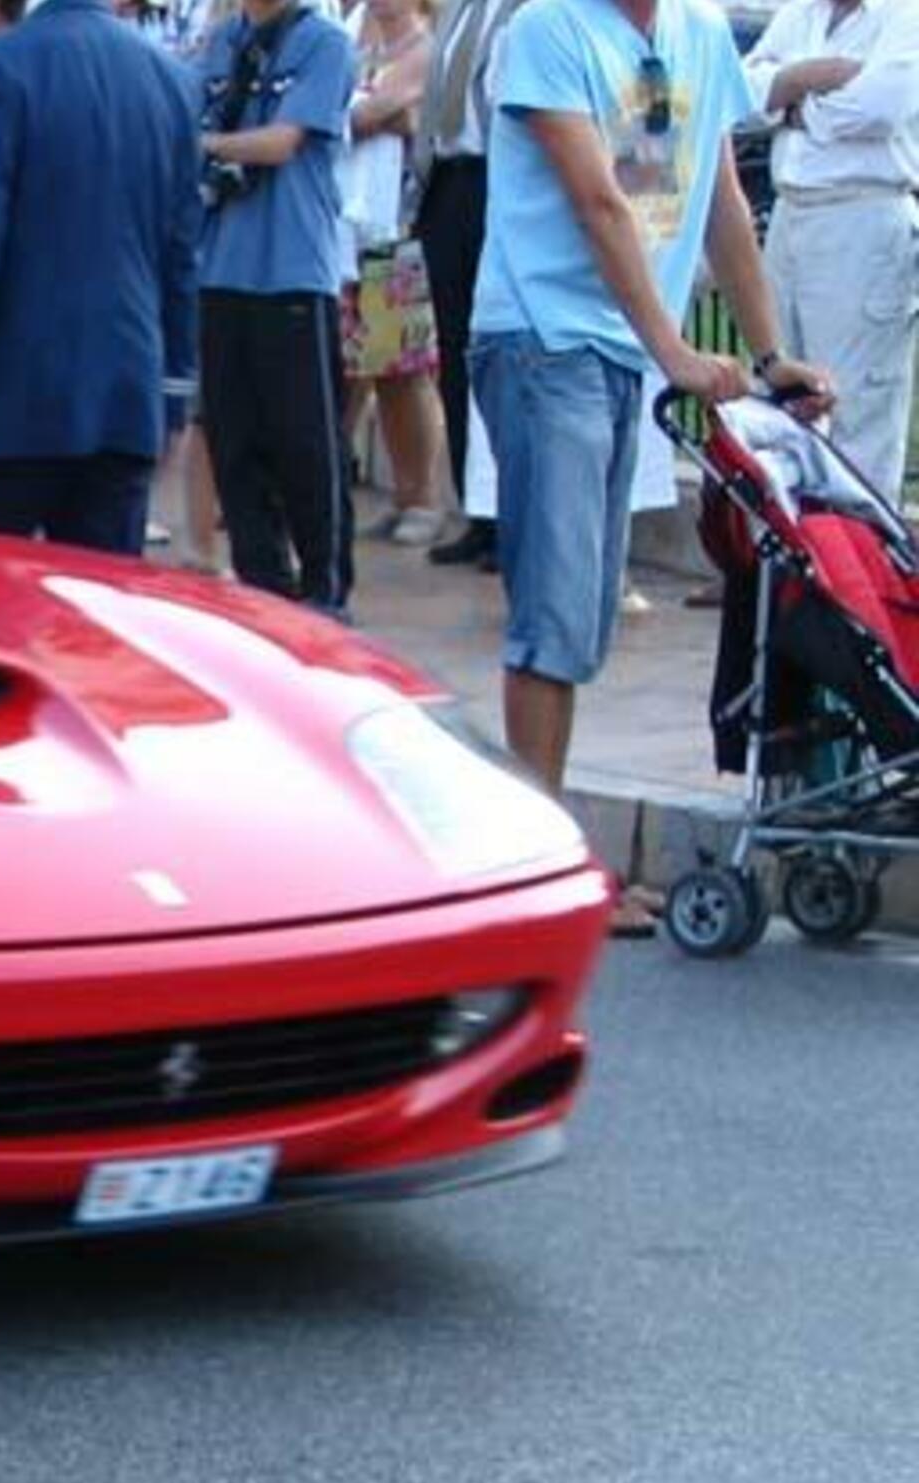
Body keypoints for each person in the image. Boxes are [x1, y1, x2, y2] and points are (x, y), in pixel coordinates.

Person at [472, 0, 832, 929]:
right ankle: (537, 876)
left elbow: (720, 201)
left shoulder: (700, 33)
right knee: (554, 614)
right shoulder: (551, 30)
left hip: (619, 351)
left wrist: (767, 355)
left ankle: (546, 856)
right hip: (545, 340)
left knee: (584, 613)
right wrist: (673, 347)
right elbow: (597, 199)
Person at [0, 0, 199, 550]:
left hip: (6, 401)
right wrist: (173, 392)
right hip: (123, 393)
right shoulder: (173, 80)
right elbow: (180, 256)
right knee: (97, 619)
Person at [195, 0, 359, 613]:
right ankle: (263, 588)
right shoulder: (220, 44)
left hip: (291, 270)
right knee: (233, 444)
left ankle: (325, 588)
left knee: (307, 442)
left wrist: (204, 143)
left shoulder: (324, 43)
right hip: (220, 268)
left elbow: (282, 142)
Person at [745, 0, 919, 498]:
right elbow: (742, 93)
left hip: (862, 218)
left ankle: (858, 565)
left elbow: (879, 109)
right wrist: (814, 76)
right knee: (778, 405)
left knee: (854, 415)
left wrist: (790, 101)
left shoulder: (905, 16)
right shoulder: (799, 15)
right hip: (790, 212)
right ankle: (789, 566)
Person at [416, 0, 529, 567]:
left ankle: (511, 514)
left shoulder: (528, 11)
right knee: (456, 353)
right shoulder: (459, 9)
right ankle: (476, 510)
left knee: (497, 350)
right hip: (448, 183)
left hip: (495, 181)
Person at [343, 0, 448, 546]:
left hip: (395, 227)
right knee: (343, 365)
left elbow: (364, 115)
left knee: (401, 370)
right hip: (344, 226)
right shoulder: (352, 32)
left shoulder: (426, 45)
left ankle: (421, 497)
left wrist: (378, 112)